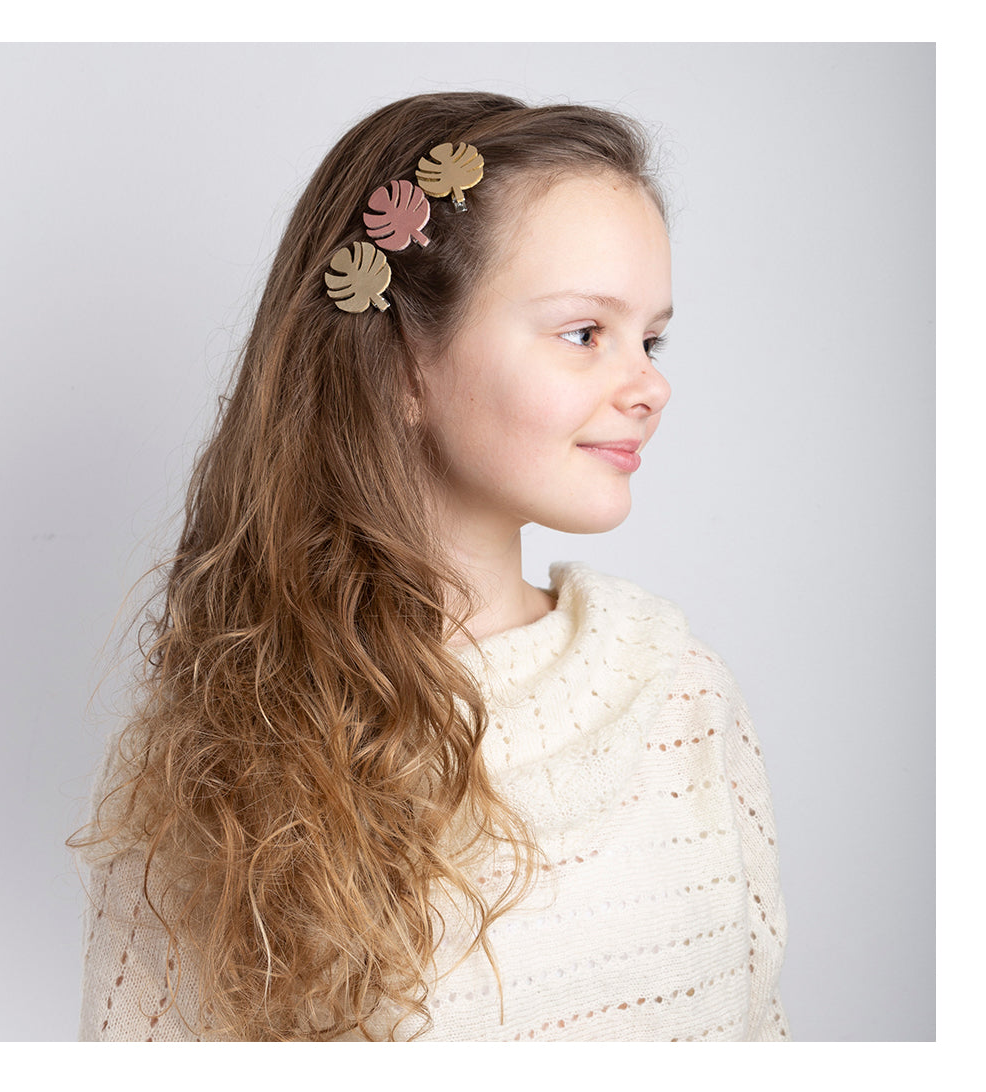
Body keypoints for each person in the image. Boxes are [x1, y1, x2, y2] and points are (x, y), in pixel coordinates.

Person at [71, 91, 790, 1042]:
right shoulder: (222, 745)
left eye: (650, 339)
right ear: (405, 361)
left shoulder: (682, 694)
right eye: (585, 333)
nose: (651, 385)